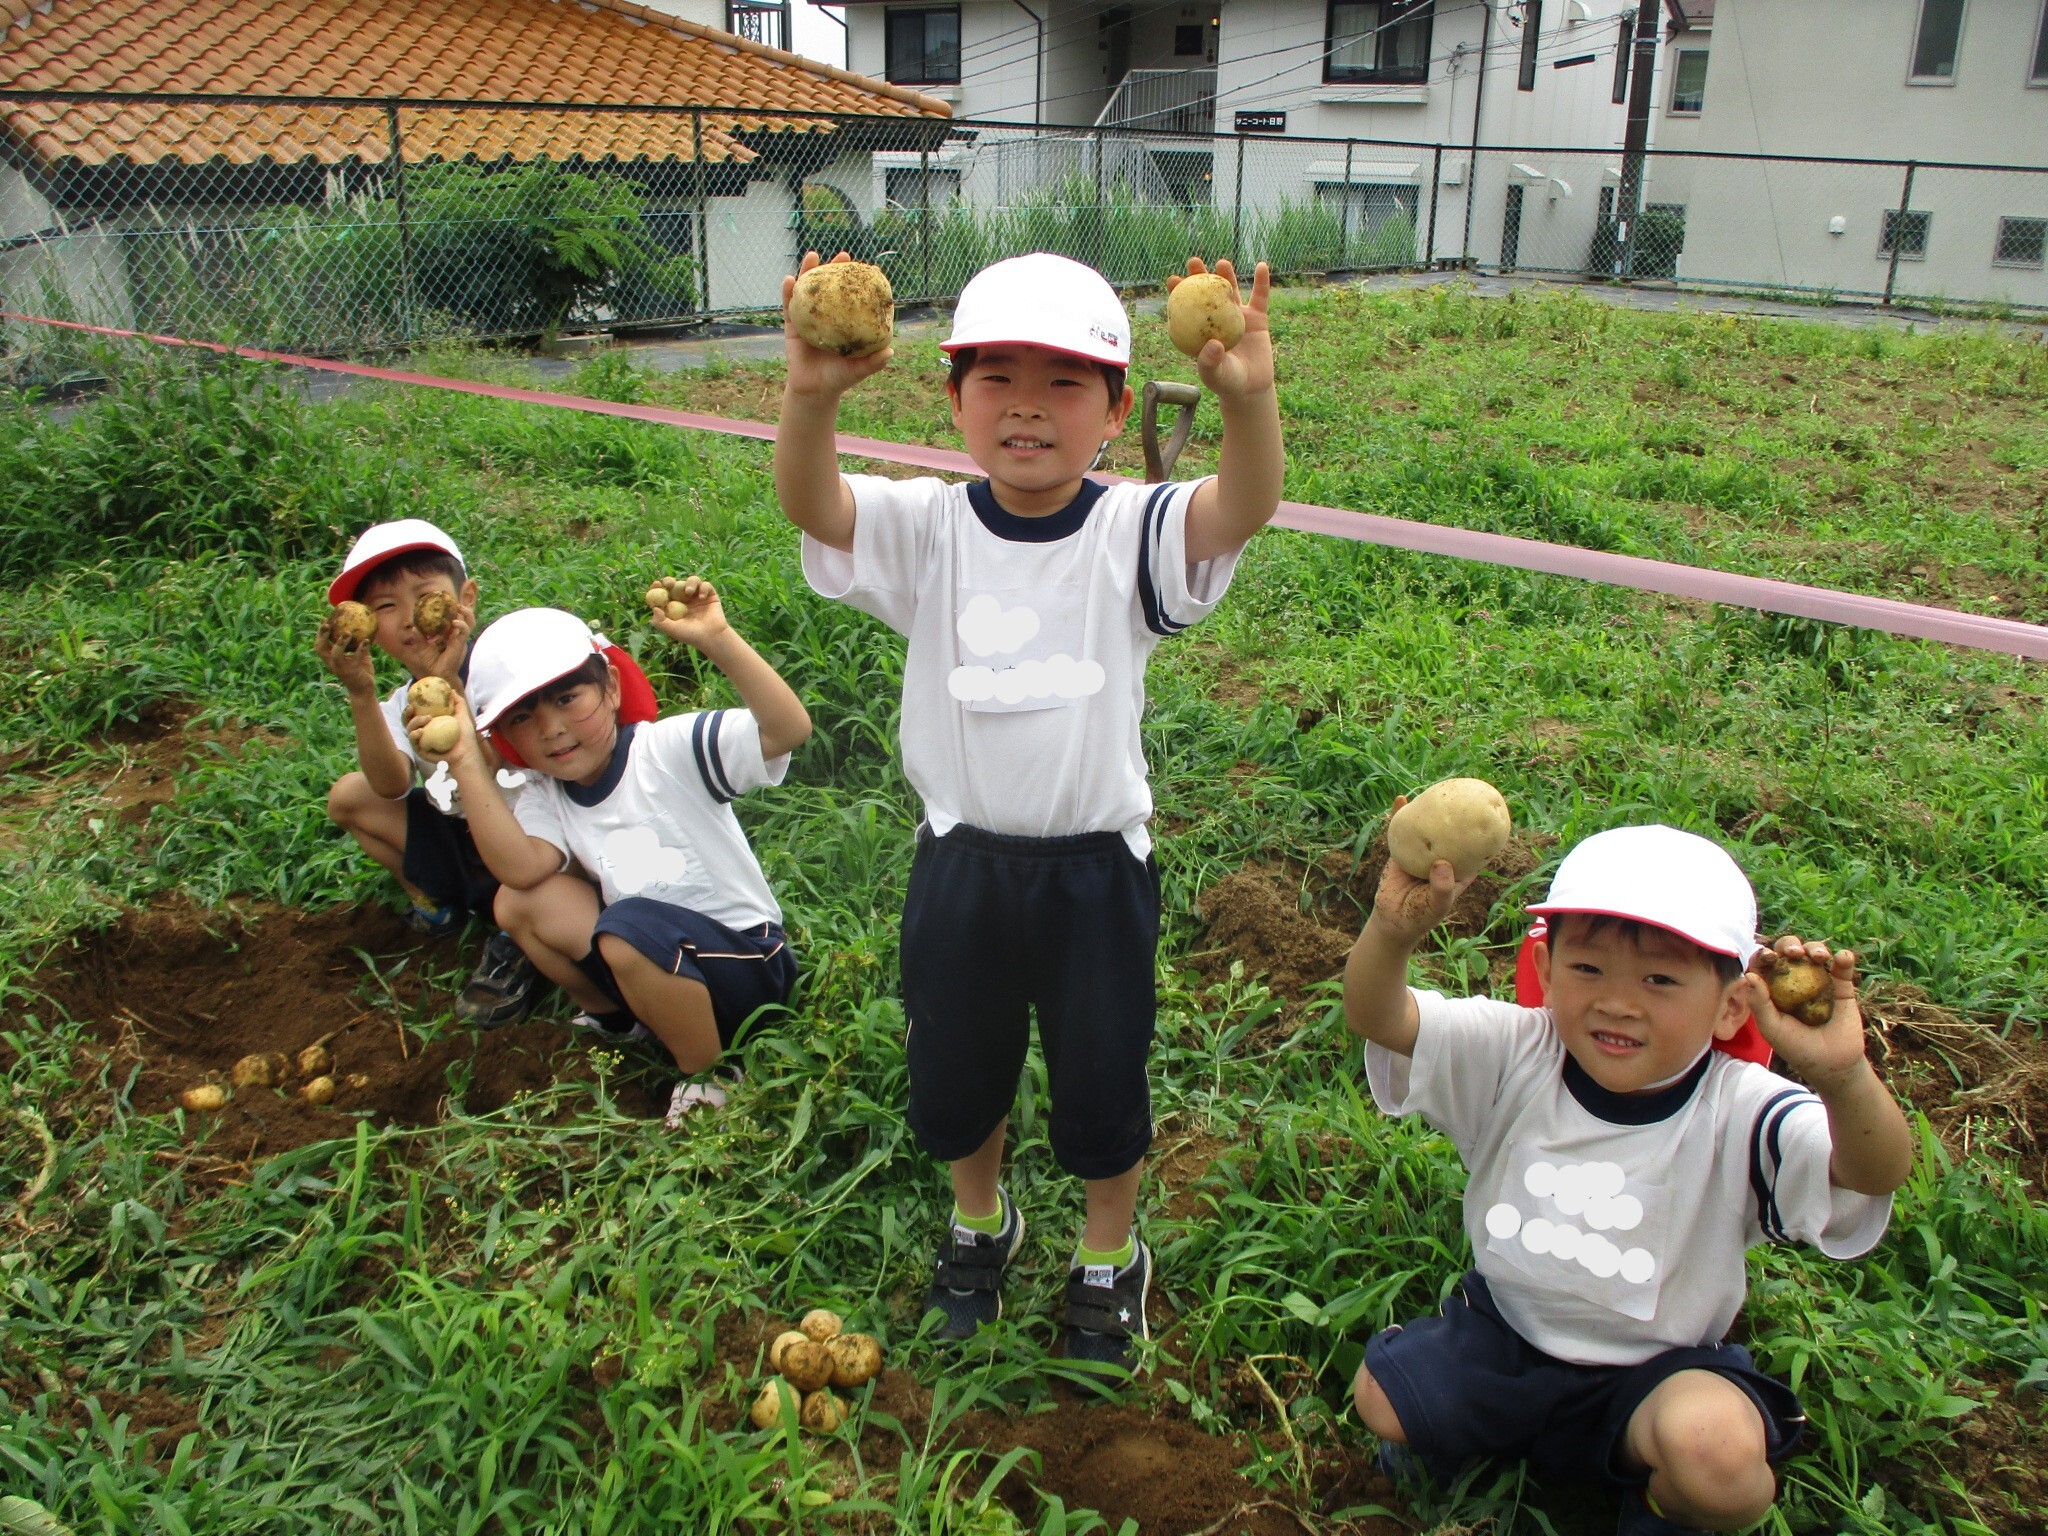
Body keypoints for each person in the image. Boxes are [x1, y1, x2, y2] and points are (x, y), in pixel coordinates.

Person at [772, 248, 1284, 1367]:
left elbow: (1240, 508)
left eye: (1063, 383)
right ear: (953, 401)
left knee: (1102, 1076)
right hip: (961, 861)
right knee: (959, 1069)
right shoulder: (929, 527)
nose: (1026, 407)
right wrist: (810, 398)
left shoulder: (1132, 529)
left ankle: (1106, 1253)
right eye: (995, 378)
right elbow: (816, 504)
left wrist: (1249, 404)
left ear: (1116, 410)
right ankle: (979, 1222)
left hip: (1097, 871)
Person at [1342, 822, 1914, 1535]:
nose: (1618, 1002)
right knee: (1381, 1394)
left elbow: (1872, 1171)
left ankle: (1656, 1503)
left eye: (1660, 980)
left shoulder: (1739, 1108)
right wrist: (1391, 933)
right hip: (1509, 1339)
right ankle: (1458, 1443)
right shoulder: (1515, 1054)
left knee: (1722, 1466)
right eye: (1588, 969)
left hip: (1659, 1376)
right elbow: (1379, 1016)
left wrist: (1844, 1076)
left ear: (1732, 1005)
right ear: (1547, 968)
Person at [414, 583, 809, 1128]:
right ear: (503, 739)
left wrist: (718, 639)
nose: (551, 728)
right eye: (521, 718)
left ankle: (710, 1074)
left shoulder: (665, 750)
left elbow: (788, 730)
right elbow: (519, 869)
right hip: (648, 961)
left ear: (613, 687)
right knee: (518, 903)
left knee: (626, 927)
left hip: (749, 966)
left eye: (566, 698)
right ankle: (620, 1021)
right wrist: (463, 760)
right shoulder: (548, 795)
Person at [318, 518, 539, 1027]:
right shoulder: (403, 702)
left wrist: (448, 685)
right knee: (350, 797)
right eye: (384, 607)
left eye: (425, 596)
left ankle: (518, 942)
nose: (409, 619)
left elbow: (502, 764)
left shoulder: (509, 673)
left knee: (541, 877)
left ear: (466, 598)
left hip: (537, 846)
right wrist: (360, 693)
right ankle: (438, 903)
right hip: (467, 841)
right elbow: (390, 785)